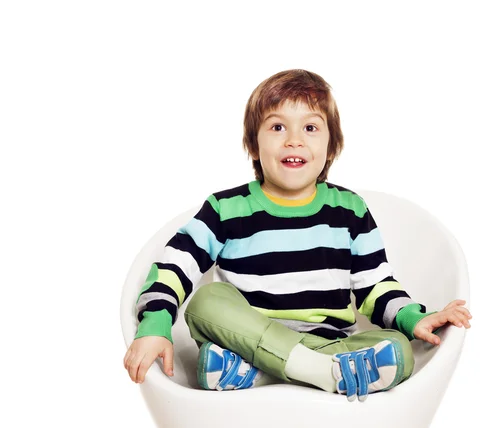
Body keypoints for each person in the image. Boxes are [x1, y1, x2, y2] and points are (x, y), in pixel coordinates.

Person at [123, 69, 472, 402]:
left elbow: (377, 287)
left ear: (331, 145)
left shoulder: (349, 210)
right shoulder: (225, 209)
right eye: (277, 127)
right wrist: (154, 325)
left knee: (399, 350)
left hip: (329, 346)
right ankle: (319, 374)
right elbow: (172, 268)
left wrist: (415, 318)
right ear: (253, 144)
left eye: (310, 127)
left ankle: (269, 374)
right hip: (247, 341)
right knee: (206, 301)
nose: (294, 140)